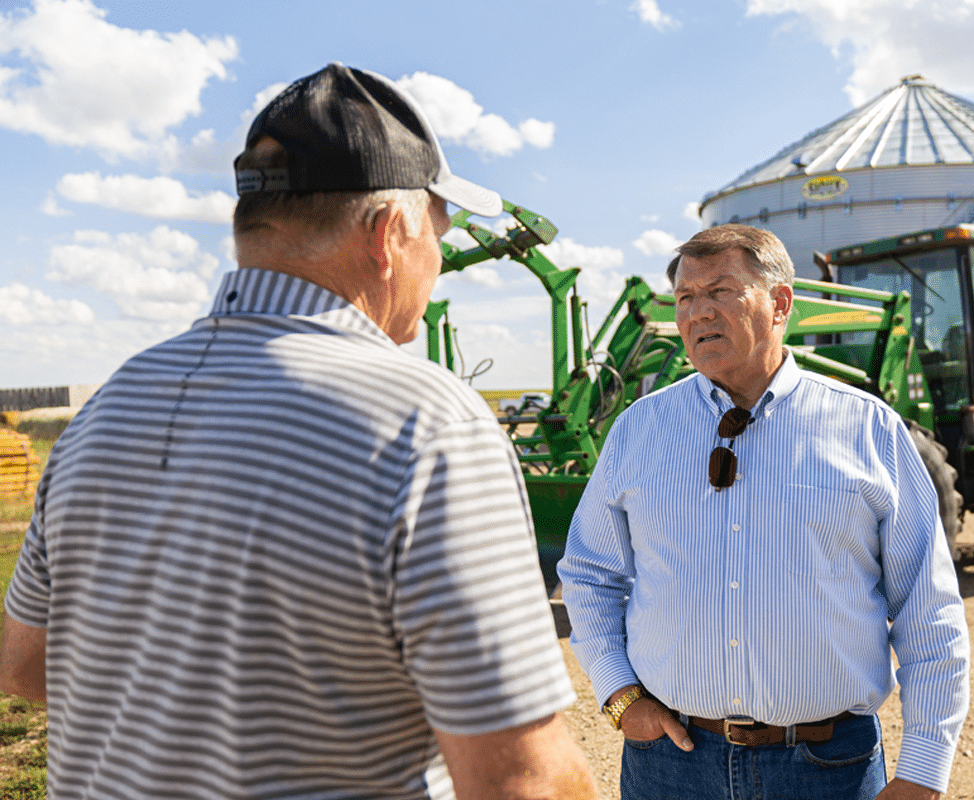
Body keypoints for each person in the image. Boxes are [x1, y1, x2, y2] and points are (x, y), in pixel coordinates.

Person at [0, 63, 597, 800]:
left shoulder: (106, 410)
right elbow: (519, 779)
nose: (438, 264)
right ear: (387, 235)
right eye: (437, 235)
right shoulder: (426, 424)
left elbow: (25, 666)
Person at [558, 224, 970, 800]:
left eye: (720, 292)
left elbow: (928, 609)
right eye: (685, 297)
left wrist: (924, 772)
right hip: (671, 768)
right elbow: (588, 574)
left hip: (828, 769)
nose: (697, 313)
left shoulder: (867, 429)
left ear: (780, 303)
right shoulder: (639, 431)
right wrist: (622, 696)